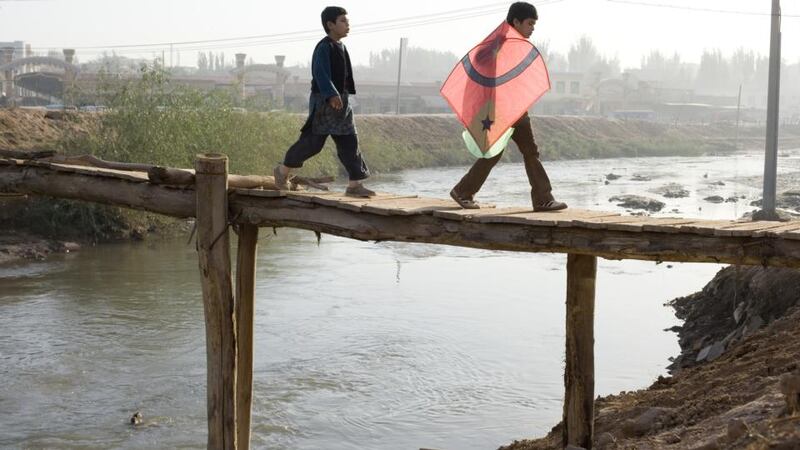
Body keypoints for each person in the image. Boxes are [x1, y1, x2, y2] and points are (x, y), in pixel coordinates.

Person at [449, 2, 567, 211]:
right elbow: (487, 76)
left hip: (508, 109)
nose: (532, 28)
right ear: (516, 22)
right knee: (527, 151)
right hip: (502, 110)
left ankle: (463, 191)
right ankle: (542, 199)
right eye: (530, 23)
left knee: (501, 152)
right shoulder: (499, 46)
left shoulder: (503, 44)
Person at [274, 6, 375, 197]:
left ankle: (354, 185)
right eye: (343, 21)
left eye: (347, 21)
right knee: (313, 142)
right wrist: (331, 94)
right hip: (324, 101)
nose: (348, 25)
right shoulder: (324, 47)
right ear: (330, 24)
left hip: (341, 101)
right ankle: (282, 172)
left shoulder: (341, 46)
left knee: (349, 141)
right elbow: (320, 73)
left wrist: (341, 95)